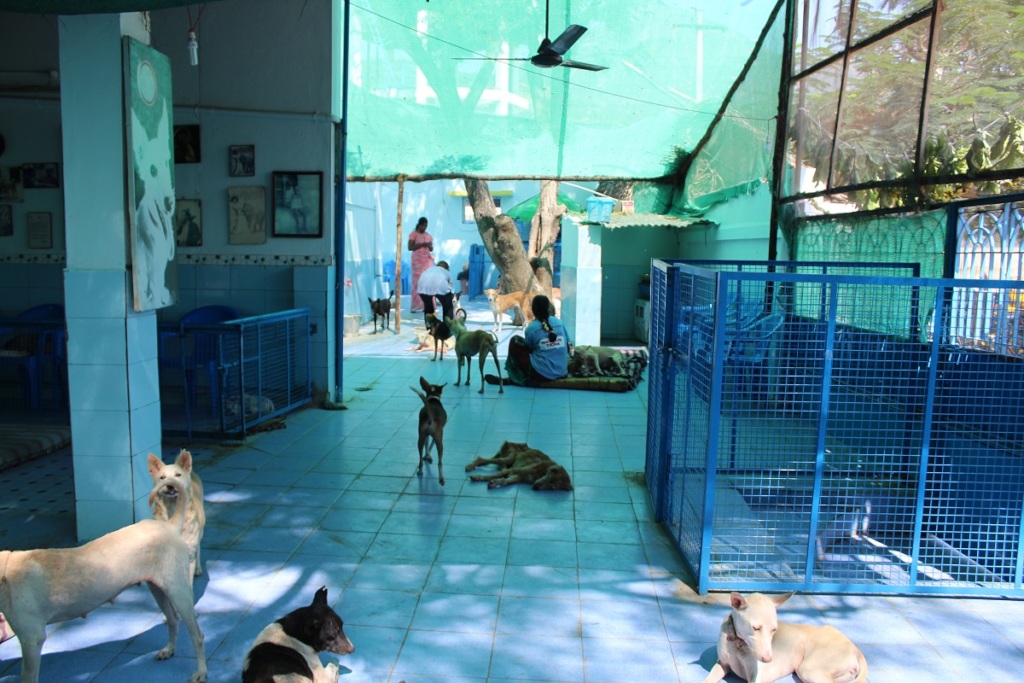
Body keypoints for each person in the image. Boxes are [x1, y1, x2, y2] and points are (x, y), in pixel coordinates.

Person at [506, 294, 571, 383]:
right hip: (562, 371)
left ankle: (515, 377)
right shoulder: (559, 323)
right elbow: (568, 345)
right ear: (548, 308)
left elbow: (529, 349)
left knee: (515, 341)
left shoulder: (531, 328)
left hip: (542, 374)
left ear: (533, 310)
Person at [408, 216, 434, 312]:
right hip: (417, 262)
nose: (424, 228)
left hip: (426, 261)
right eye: (423, 226)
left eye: (426, 226)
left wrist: (429, 246)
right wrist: (422, 244)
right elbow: (410, 247)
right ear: (419, 225)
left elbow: (431, 248)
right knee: (417, 283)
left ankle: (426, 305)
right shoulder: (413, 234)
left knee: (427, 282)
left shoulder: (428, 236)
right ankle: (415, 305)